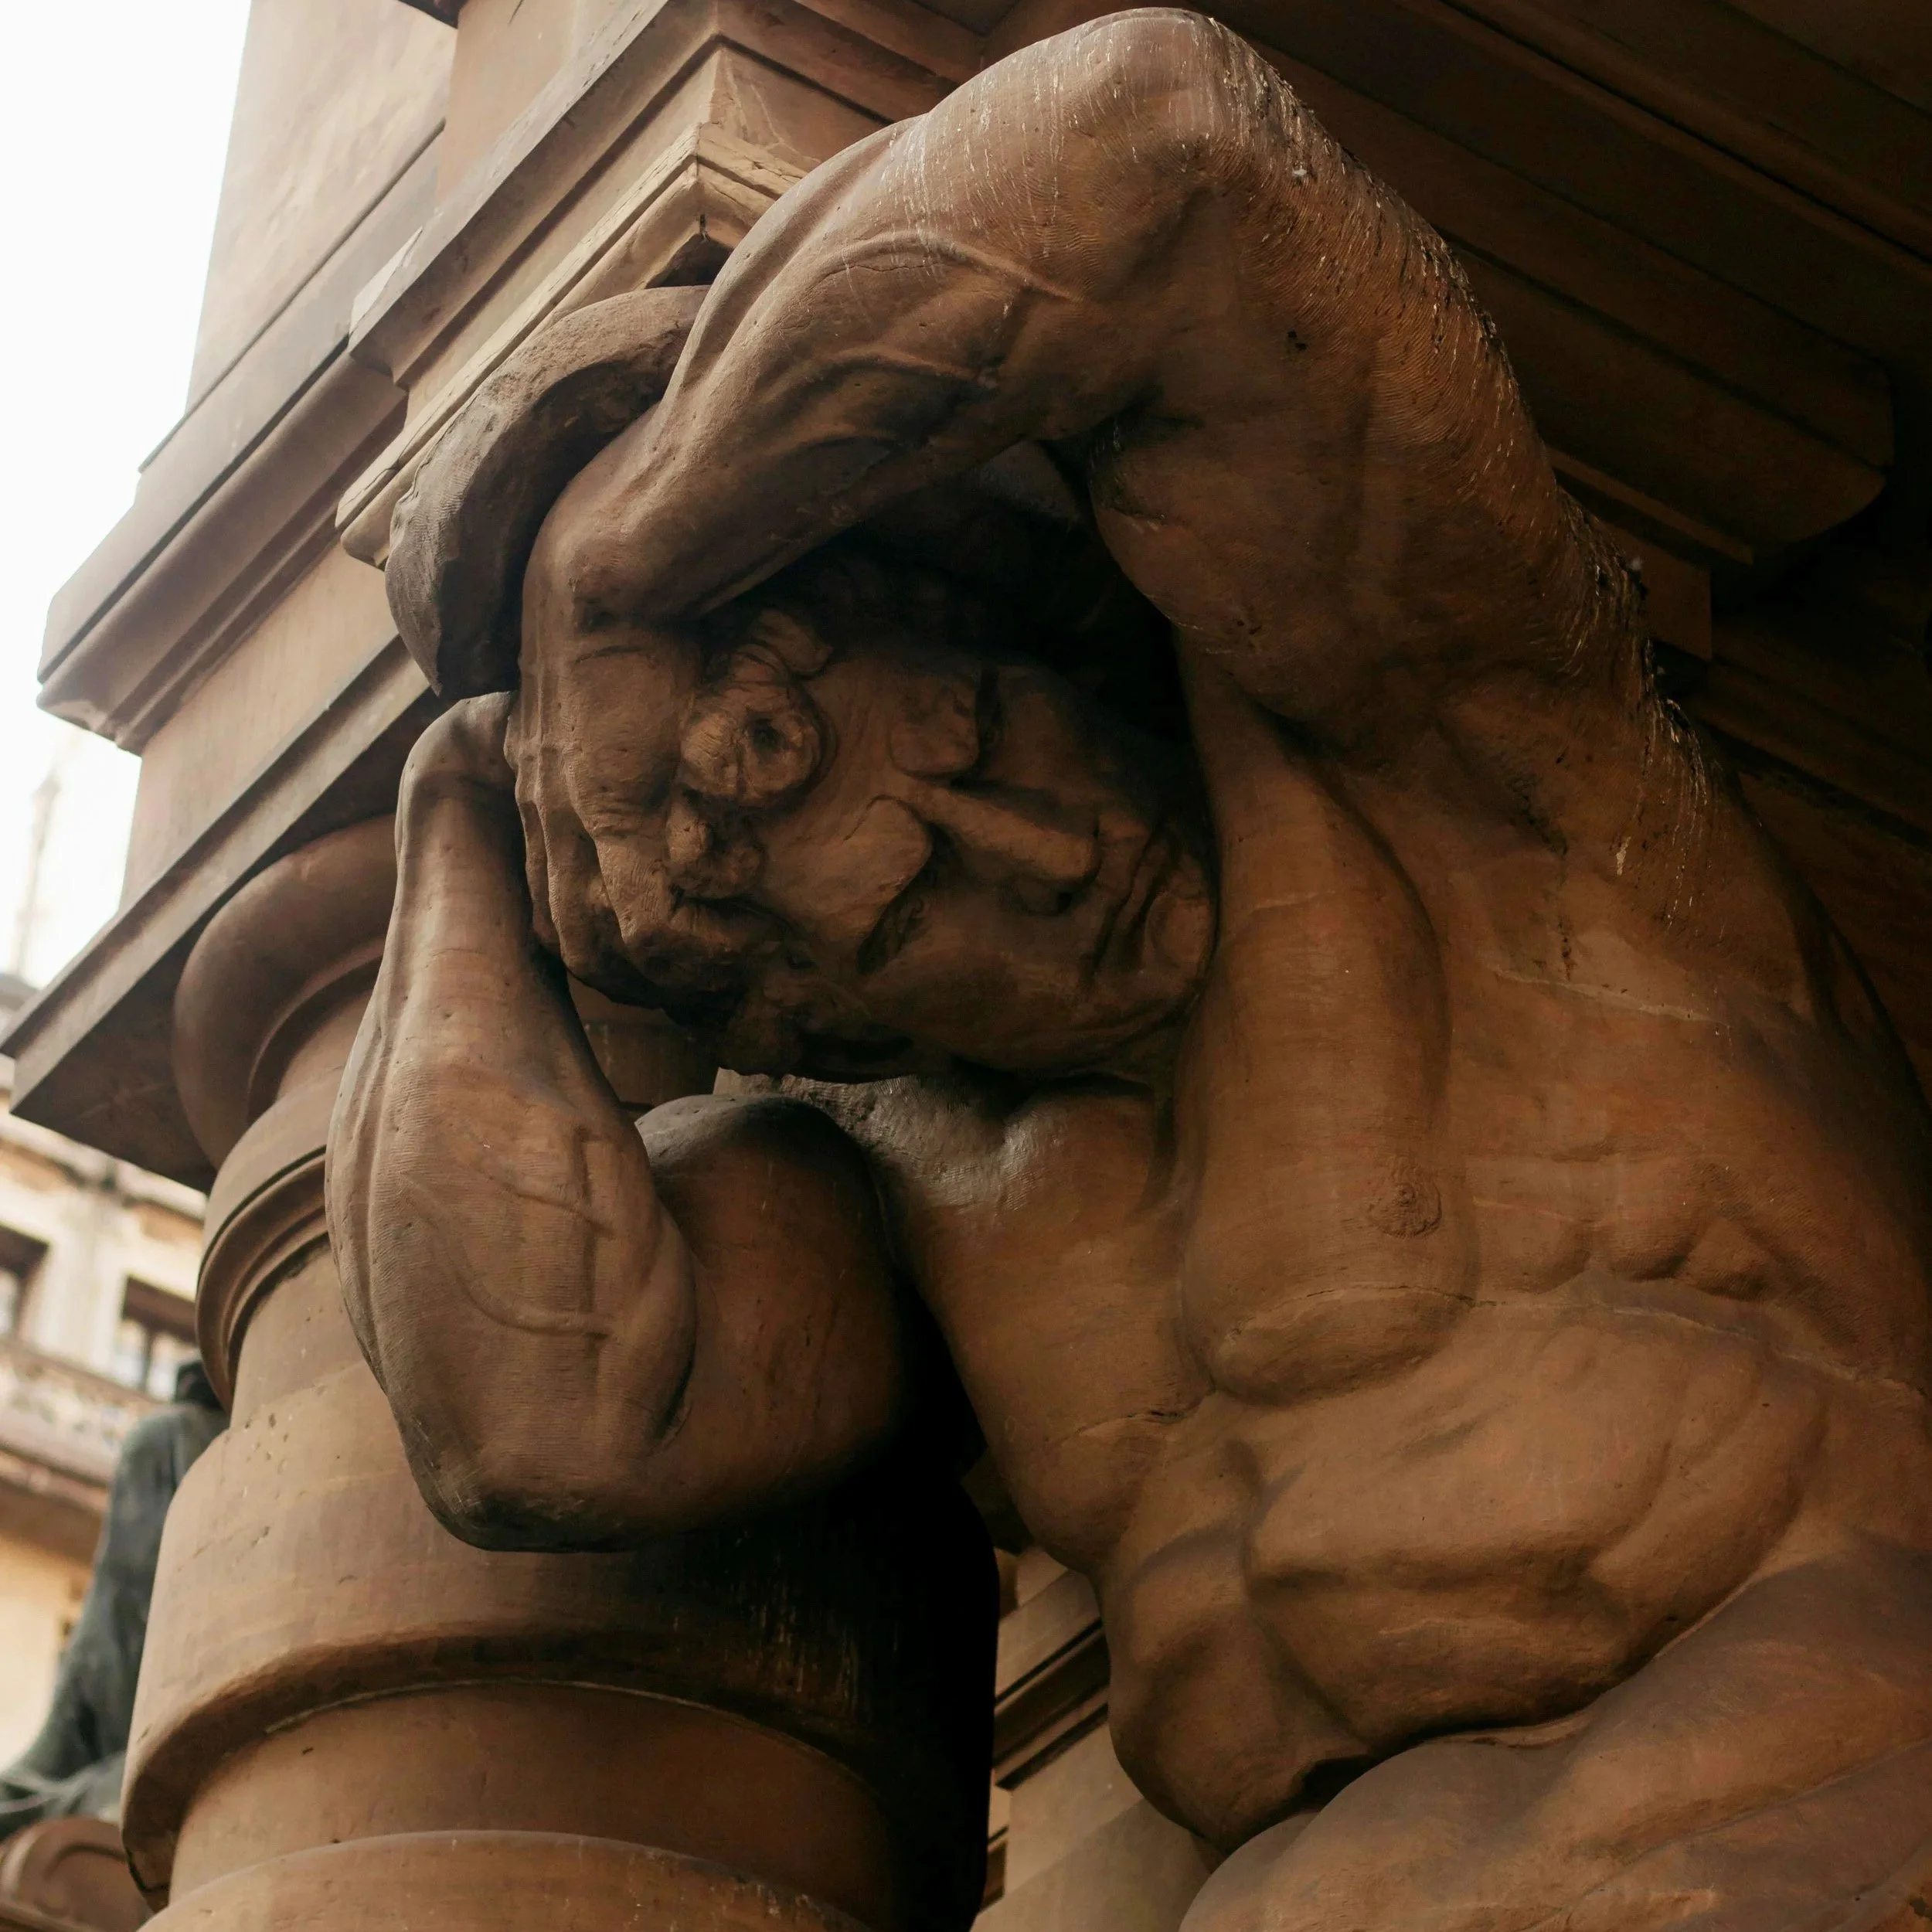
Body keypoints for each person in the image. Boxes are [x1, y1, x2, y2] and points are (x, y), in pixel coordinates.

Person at [328, 12, 1932, 1926]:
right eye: (917, 905)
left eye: (993, 733)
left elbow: (1159, 138)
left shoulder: (1465, 783)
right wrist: (456, 807)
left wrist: (624, 561)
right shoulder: (922, 1184)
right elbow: (542, 1415)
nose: (1044, 844)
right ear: (837, 1018)